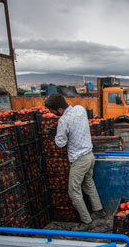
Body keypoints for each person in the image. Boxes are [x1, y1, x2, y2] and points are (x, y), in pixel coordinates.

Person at [45, 93, 106, 231]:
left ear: (59, 110)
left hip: (79, 160)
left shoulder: (63, 120)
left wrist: (55, 134)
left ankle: (87, 221)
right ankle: (99, 210)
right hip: (90, 156)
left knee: (73, 191)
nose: (52, 113)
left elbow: (60, 143)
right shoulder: (80, 109)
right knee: (88, 183)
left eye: (52, 111)